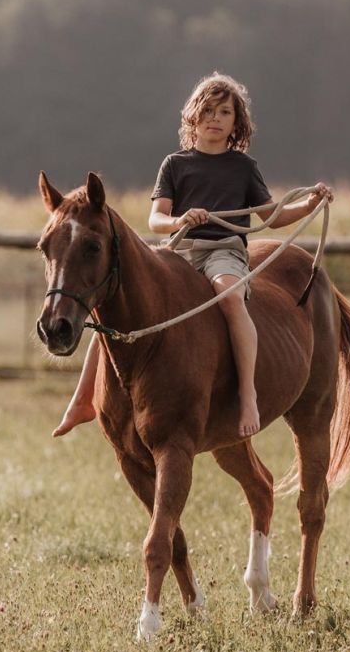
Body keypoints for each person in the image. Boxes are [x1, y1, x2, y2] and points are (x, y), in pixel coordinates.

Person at [53, 72, 333, 439]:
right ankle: (83, 399)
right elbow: (156, 220)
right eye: (208, 110)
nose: (215, 118)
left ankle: (248, 394)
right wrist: (180, 219)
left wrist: (309, 205)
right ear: (193, 116)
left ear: (237, 123)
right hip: (180, 251)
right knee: (115, 305)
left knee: (232, 297)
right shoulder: (175, 165)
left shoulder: (243, 168)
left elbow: (272, 217)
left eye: (225, 112)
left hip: (223, 252)